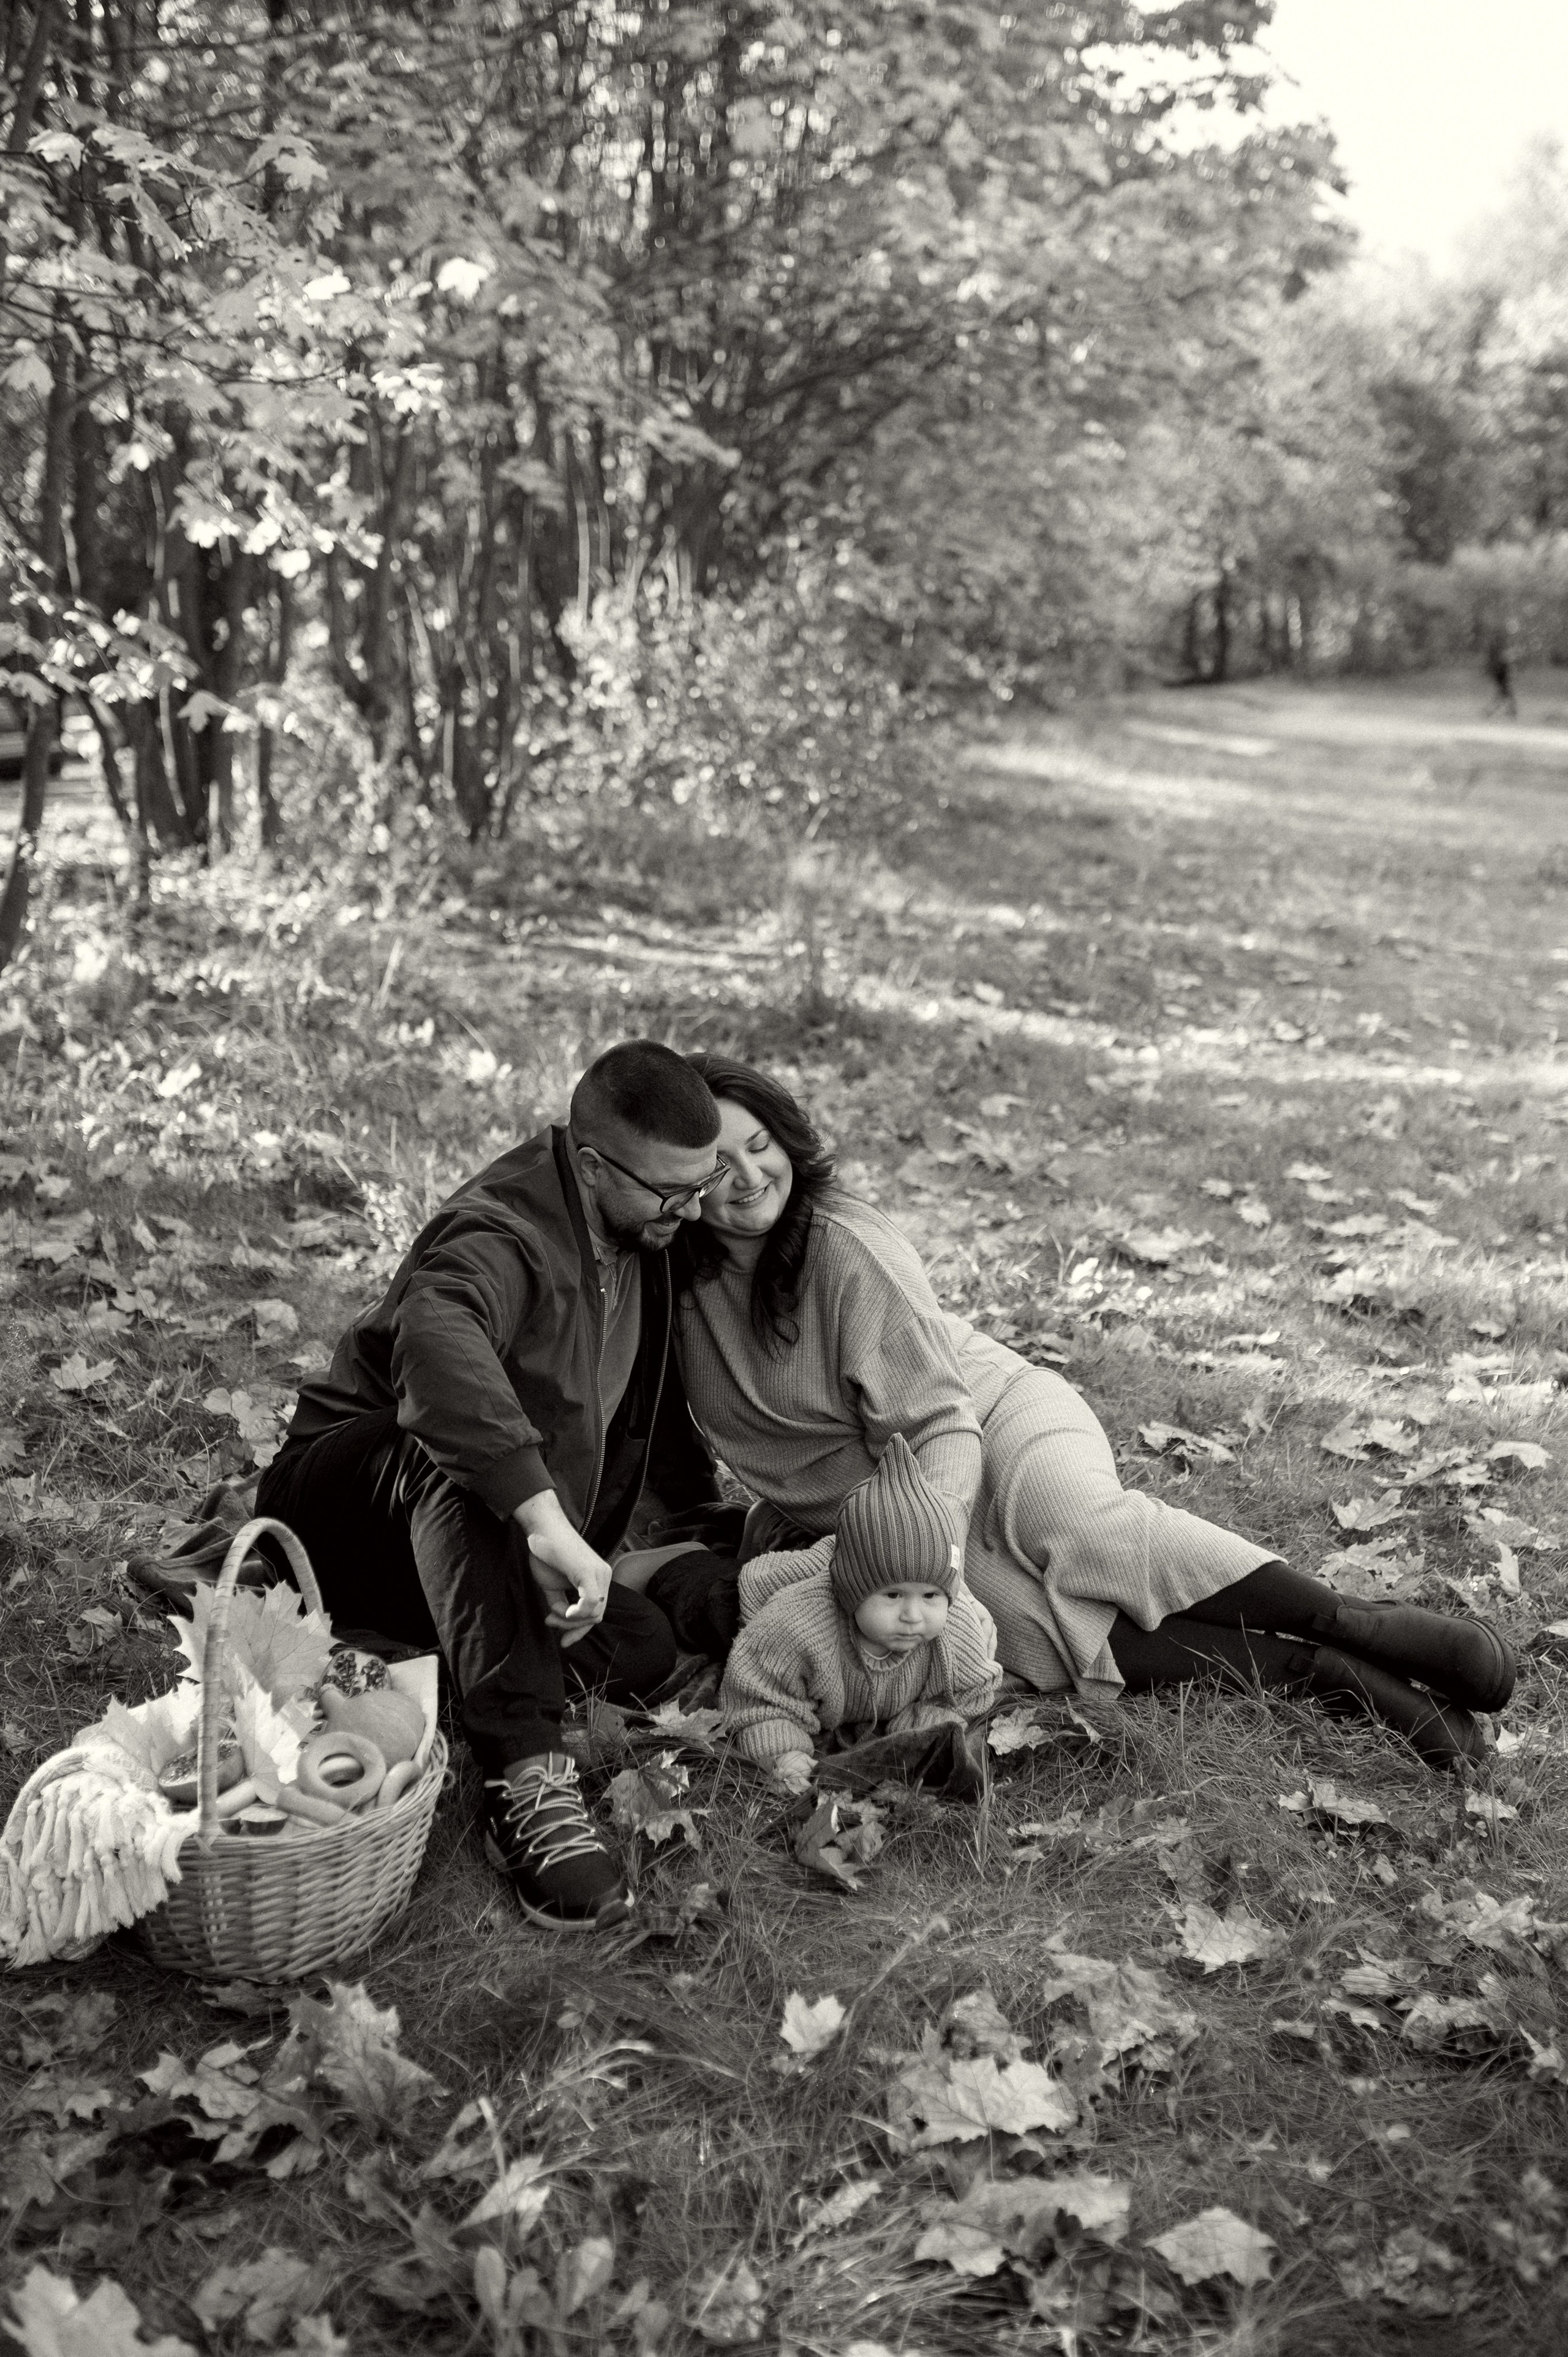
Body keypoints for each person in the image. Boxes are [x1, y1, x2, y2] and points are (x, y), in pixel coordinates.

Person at [637, 1053, 1514, 1772]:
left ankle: (1349, 1621)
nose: (749, 1175)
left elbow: (942, 1418)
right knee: (1028, 1632)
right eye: (717, 1162)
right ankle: (1323, 1674)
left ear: (788, 1139)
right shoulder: (675, 1286)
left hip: (985, 1422)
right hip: (885, 1511)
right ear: (680, 1180)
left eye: (761, 1144)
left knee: (1073, 1526)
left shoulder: (840, 1243)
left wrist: (933, 1542)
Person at [255, 1039, 729, 1931]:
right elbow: (436, 1341)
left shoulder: (646, 1230)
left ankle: (402, 1660)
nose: (694, 1207)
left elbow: (643, 1417)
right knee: (456, 1450)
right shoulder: (507, 1226)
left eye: (701, 1184)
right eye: (674, 1191)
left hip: (461, 1540)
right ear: (591, 1166)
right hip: (348, 1504)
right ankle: (526, 1775)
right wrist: (546, 1521)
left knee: (641, 1647)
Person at [720, 1432, 1001, 1796]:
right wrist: (782, 1750)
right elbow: (759, 1698)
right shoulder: (795, 1629)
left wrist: (922, 1729)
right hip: (744, 1593)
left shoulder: (954, 1634)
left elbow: (964, 1695)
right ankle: (686, 1560)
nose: (913, 1615)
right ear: (853, 1593)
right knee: (709, 1614)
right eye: (893, 1594)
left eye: (931, 1594)